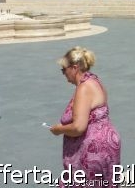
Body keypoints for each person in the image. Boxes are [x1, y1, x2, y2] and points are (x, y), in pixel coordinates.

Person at [49, 46, 121, 187]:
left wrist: (59, 129)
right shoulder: (95, 81)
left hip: (93, 149)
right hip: (107, 143)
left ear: (74, 68)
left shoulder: (84, 88)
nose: (63, 73)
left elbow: (78, 127)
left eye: (64, 69)